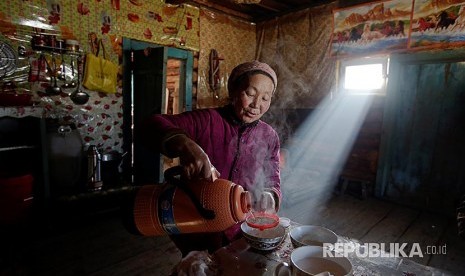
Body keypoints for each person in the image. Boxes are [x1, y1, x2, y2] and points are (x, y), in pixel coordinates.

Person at [140, 60, 282, 256]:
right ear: (233, 90)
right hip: (197, 226)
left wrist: (270, 196)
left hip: (242, 230)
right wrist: (185, 144)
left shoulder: (269, 136)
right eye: (250, 93)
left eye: (265, 98)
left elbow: (273, 180)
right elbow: (150, 124)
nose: (256, 105)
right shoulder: (207, 120)